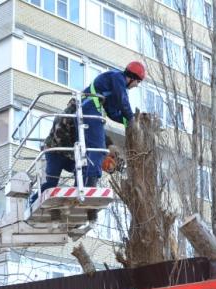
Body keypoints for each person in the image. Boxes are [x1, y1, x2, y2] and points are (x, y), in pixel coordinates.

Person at [37, 61, 146, 199]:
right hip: (57, 148)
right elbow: (123, 102)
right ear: (132, 77)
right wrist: (132, 119)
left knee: (87, 157)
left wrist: (127, 122)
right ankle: (89, 186)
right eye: (138, 82)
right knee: (95, 151)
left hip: (71, 150)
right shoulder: (118, 77)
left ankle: (81, 187)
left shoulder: (110, 89)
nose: (136, 86)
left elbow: (113, 112)